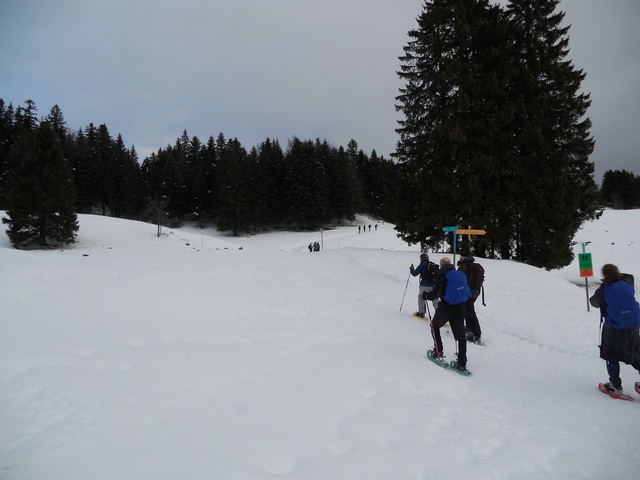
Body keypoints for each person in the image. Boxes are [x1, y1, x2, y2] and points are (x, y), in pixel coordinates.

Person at [589, 264, 640, 396]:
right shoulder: (627, 284)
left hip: (615, 326)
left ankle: (616, 386)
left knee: (611, 354)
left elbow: (594, 302)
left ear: (604, 275)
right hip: (634, 324)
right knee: (634, 352)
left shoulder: (604, 289)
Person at [426, 257, 470, 373]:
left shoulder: (442, 274)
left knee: (434, 326)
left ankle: (438, 351)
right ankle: (462, 363)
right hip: (460, 308)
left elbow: (437, 292)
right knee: (461, 337)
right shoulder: (459, 273)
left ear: (441, 265)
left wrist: (427, 296)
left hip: (446, 308)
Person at [457, 249, 482, 343]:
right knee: (468, 310)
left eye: (462, 256)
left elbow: (458, 280)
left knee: (469, 311)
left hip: (467, 293)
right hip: (475, 292)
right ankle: (470, 329)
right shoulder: (474, 265)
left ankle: (476, 333)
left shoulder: (463, 266)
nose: (460, 258)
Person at [409, 253, 438, 318]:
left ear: (421, 259)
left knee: (421, 298)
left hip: (424, 285)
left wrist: (411, 269)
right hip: (433, 285)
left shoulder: (422, 265)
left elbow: (414, 274)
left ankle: (421, 312)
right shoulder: (432, 264)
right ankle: (439, 313)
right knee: (435, 298)